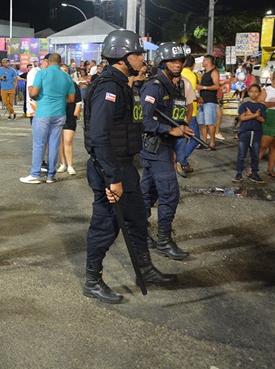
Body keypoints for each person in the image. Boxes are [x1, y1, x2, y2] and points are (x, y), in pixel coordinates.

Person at [83, 30, 176, 304]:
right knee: (105, 226)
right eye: (137, 54)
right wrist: (112, 178)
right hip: (110, 169)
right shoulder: (109, 87)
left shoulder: (124, 84)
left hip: (125, 166)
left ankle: (145, 271)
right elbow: (99, 137)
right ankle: (92, 281)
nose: (141, 58)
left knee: (136, 219)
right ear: (123, 57)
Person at [139, 42, 192, 260]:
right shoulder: (155, 86)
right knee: (169, 194)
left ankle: (140, 234)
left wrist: (180, 128)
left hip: (164, 146)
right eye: (172, 61)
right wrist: (169, 129)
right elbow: (142, 120)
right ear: (162, 63)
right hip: (155, 147)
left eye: (179, 60)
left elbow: (177, 113)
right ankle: (164, 241)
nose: (177, 64)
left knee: (148, 194)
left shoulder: (175, 85)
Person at [20, 53, 75, 184]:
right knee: (54, 144)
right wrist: (59, 99)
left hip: (43, 113)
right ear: (60, 62)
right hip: (60, 114)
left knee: (39, 144)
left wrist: (37, 95)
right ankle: (51, 175)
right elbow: (72, 99)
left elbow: (33, 93)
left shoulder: (42, 73)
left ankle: (35, 174)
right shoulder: (67, 77)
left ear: (48, 62)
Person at [232, 84, 266, 183]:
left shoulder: (262, 106)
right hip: (245, 132)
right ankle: (239, 173)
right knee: (241, 154)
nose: (253, 94)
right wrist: (255, 115)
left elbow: (263, 119)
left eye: (256, 92)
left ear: (259, 93)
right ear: (248, 92)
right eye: (251, 91)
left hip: (256, 133)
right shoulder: (244, 105)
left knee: (255, 154)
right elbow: (242, 118)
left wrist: (250, 114)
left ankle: (254, 173)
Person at [57, 64, 82, 175]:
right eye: (61, 70)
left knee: (68, 140)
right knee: (60, 141)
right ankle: (62, 164)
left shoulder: (73, 85)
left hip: (69, 115)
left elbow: (78, 101)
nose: (63, 72)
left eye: (65, 71)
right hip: (57, 114)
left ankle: (70, 165)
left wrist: (76, 113)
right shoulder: (54, 84)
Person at [179, 55, 200, 175]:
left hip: (178, 111)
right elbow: (190, 96)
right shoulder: (192, 76)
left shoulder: (179, 73)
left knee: (182, 139)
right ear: (192, 65)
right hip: (190, 112)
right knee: (195, 138)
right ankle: (181, 160)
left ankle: (184, 162)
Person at [197, 55, 220, 150]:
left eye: (204, 60)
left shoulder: (214, 72)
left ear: (208, 61)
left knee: (210, 123)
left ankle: (212, 143)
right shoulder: (204, 73)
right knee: (202, 123)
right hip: (203, 101)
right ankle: (204, 142)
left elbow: (216, 86)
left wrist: (203, 87)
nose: (202, 62)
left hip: (210, 101)